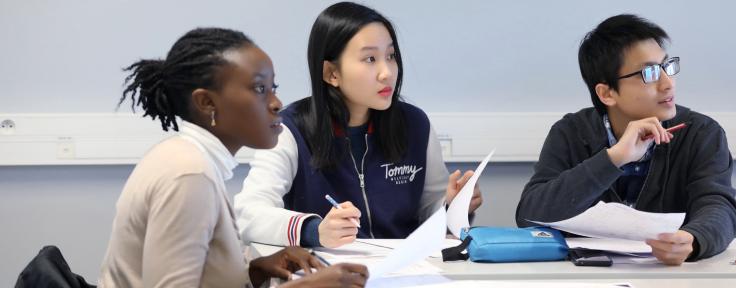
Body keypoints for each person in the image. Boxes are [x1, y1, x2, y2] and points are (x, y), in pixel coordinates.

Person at [99, 27, 367, 287]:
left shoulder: (188, 159)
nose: (276, 103)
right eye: (260, 89)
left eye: (273, 87)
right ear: (206, 103)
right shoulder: (189, 175)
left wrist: (254, 271)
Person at [235, 2, 482, 248]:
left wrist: (453, 205)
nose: (387, 72)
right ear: (332, 73)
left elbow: (429, 208)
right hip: (330, 274)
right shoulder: (289, 129)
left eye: (391, 56)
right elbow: (249, 213)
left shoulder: (415, 125)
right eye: (370, 59)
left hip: (406, 270)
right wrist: (315, 230)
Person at [515, 14, 736, 266]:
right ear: (607, 93)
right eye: (650, 72)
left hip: (674, 276)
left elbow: (719, 205)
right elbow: (530, 214)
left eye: (667, 67)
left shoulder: (701, 132)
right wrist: (614, 158)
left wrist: (693, 239)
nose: (668, 84)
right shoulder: (571, 132)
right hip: (591, 277)